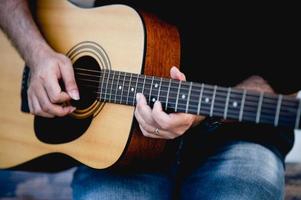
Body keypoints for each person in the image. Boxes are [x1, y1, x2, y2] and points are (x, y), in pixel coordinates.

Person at [0, 0, 299, 199]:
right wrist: (37, 54)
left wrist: (200, 115)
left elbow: (282, 82)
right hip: (118, 144)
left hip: (237, 136)